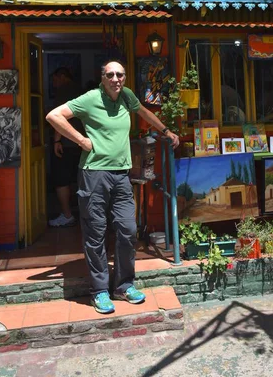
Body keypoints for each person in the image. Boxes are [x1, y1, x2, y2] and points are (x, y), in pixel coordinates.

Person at [46, 60, 179, 314]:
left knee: (128, 229)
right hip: (94, 174)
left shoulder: (126, 96)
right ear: (102, 77)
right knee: (95, 232)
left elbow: (143, 112)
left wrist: (165, 130)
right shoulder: (90, 98)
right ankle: (99, 291)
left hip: (121, 175)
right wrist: (81, 140)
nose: (116, 79)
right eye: (111, 75)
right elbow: (53, 116)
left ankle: (124, 285)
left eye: (120, 74)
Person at [48, 67, 83, 228]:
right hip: (83, 142)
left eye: (55, 79)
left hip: (67, 143)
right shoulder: (81, 90)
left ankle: (67, 215)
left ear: (62, 76)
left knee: (61, 179)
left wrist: (57, 141)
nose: (53, 83)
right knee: (82, 178)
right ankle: (87, 215)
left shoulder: (64, 90)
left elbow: (58, 118)